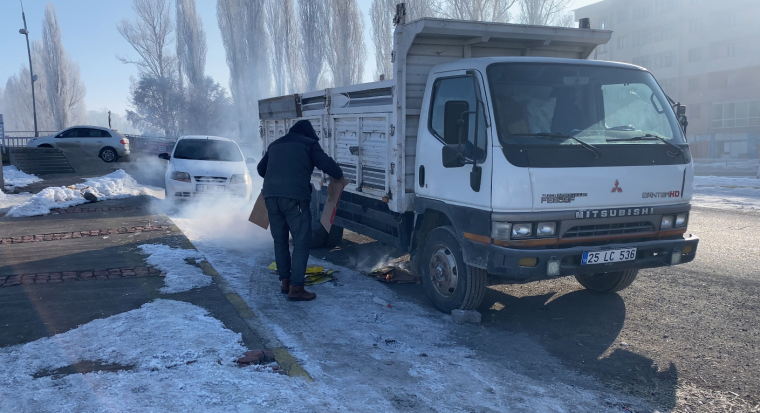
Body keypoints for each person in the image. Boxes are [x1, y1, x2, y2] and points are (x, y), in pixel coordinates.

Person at [257, 120, 346, 301]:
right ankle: (296, 288)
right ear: (308, 134)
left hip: (270, 198)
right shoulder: (309, 144)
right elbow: (329, 167)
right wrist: (338, 174)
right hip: (294, 199)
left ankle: (285, 282)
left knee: (280, 241)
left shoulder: (275, 144)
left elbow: (260, 169)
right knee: (301, 241)